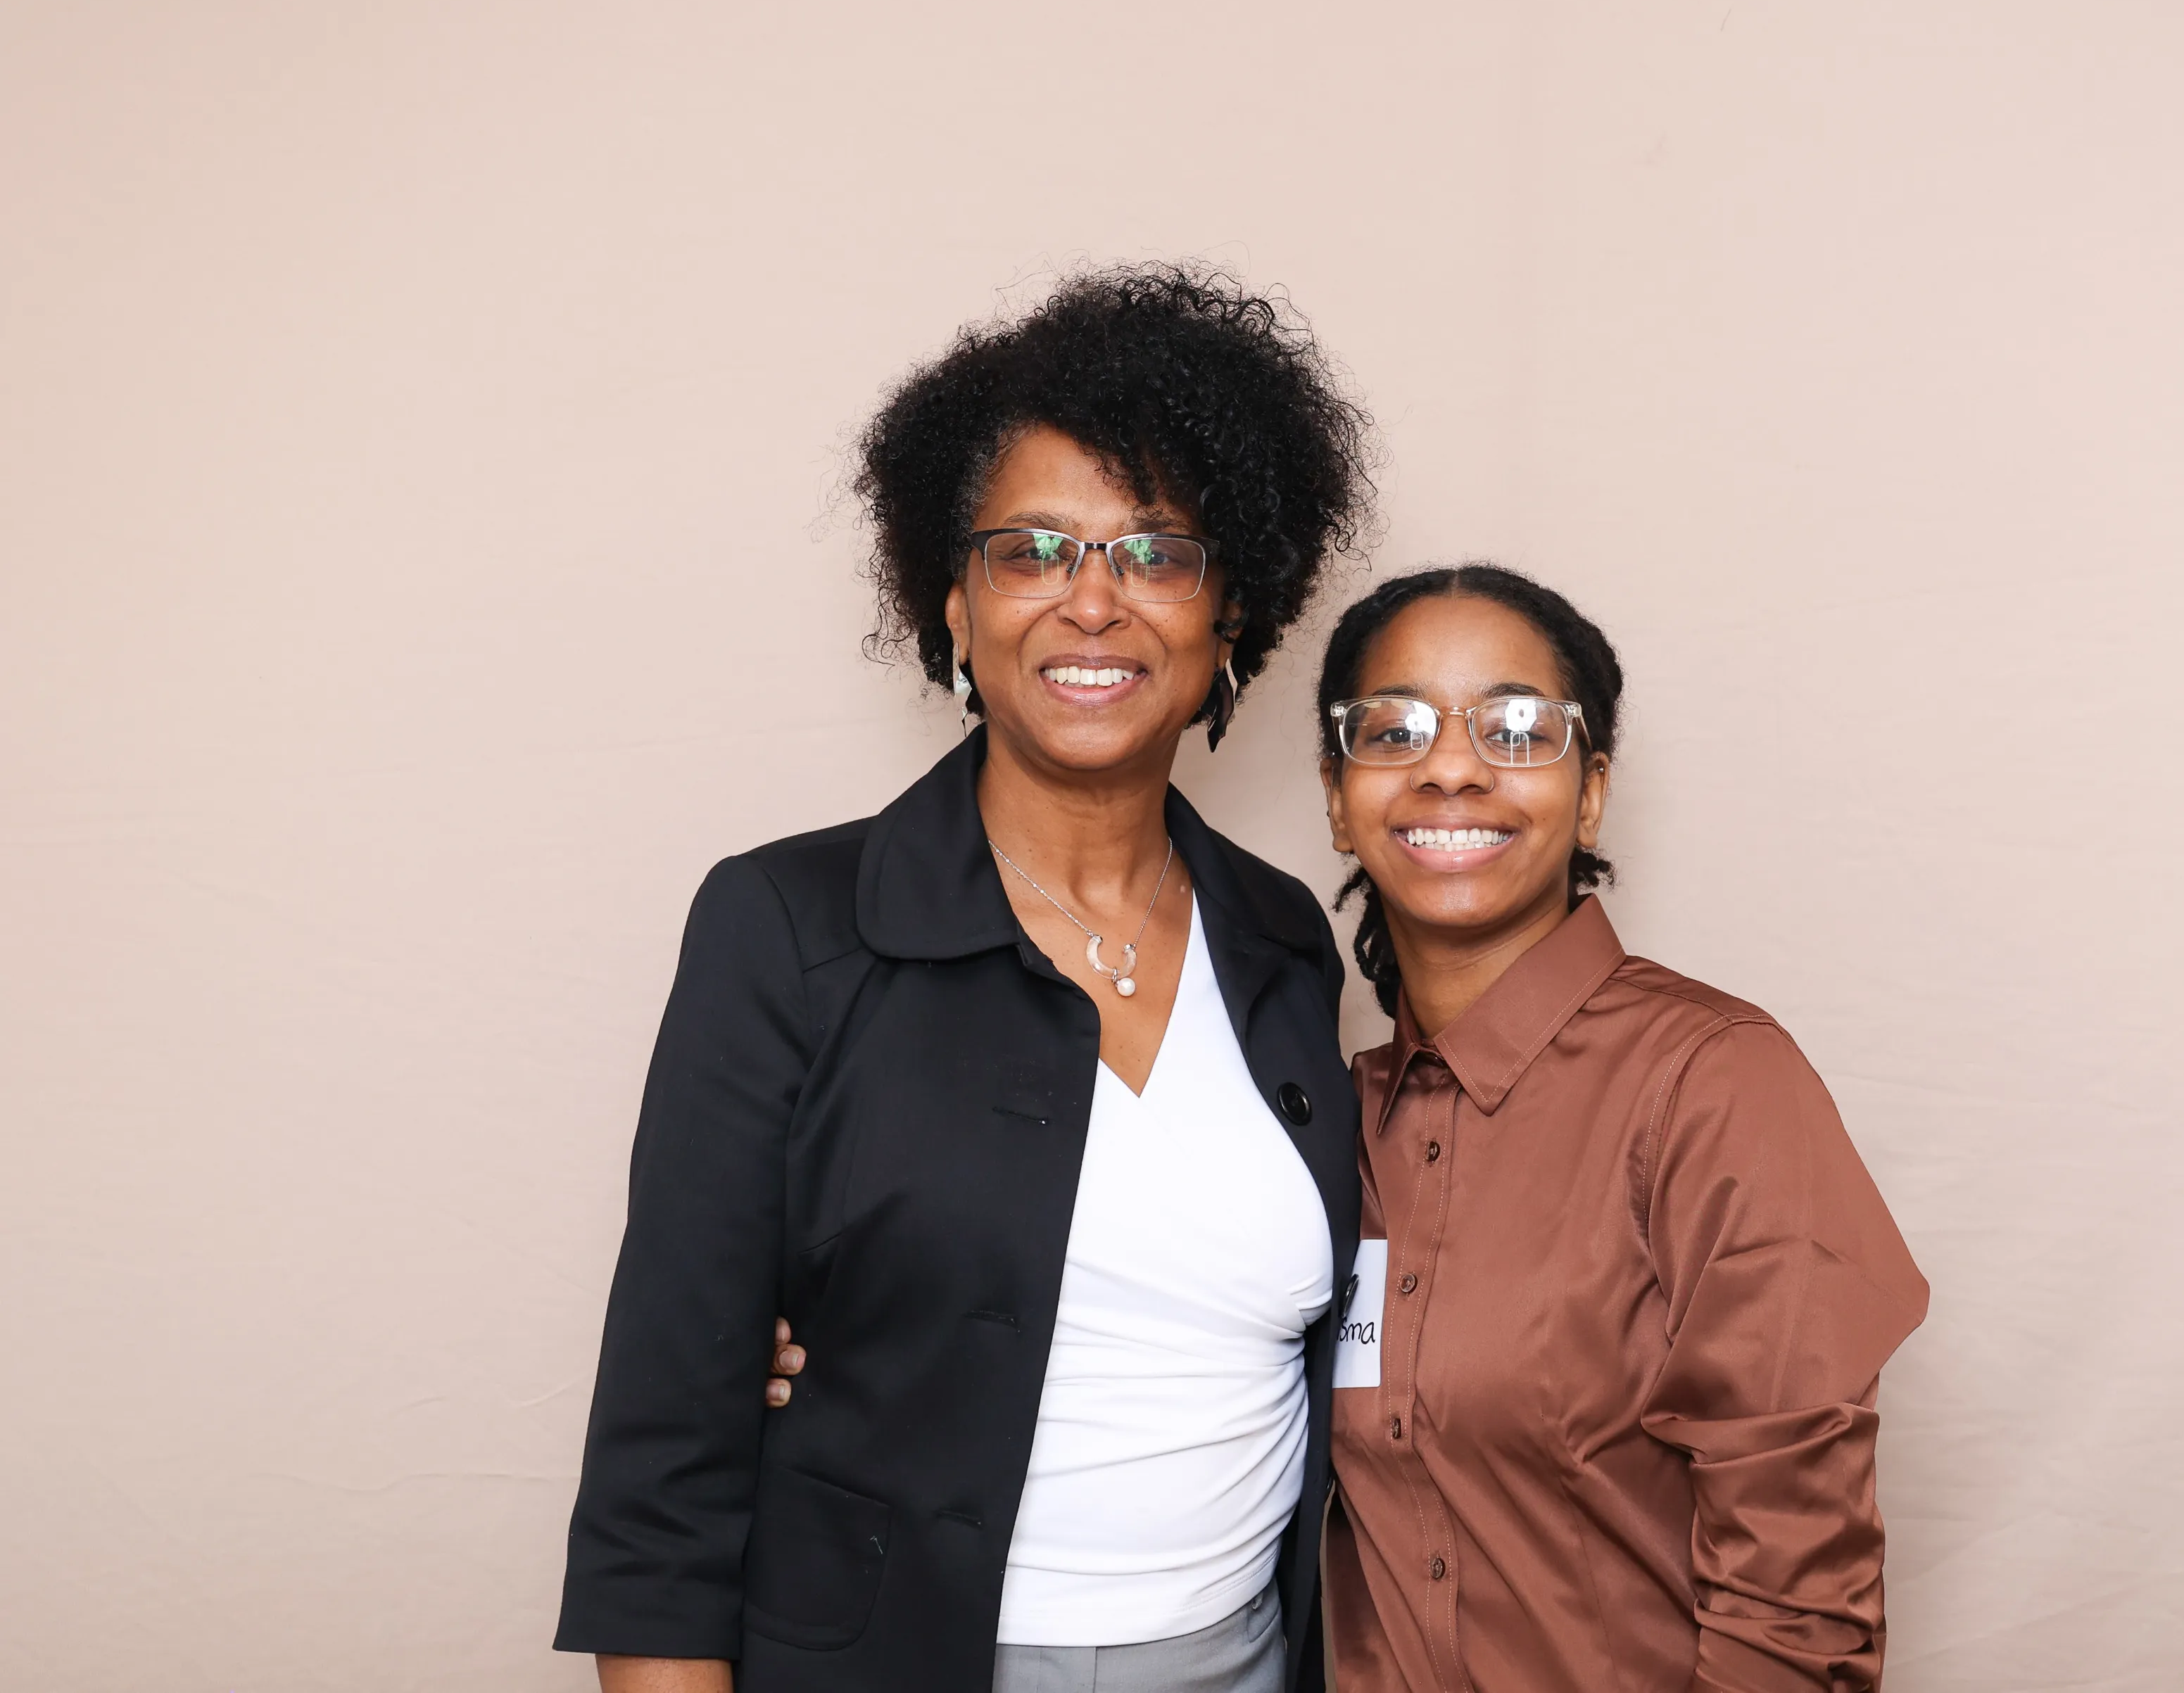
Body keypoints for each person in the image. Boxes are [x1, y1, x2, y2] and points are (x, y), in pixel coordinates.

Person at [553, 266, 1374, 1693]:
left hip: (1250, 1657)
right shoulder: (786, 926)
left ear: (1230, 611)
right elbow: (665, 1459)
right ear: (955, 602)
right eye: (1033, 548)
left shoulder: (1286, 936)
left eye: (1158, 553)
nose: (1094, 602)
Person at [1313, 566, 1929, 1692]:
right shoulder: (1324, 1122)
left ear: (1590, 793)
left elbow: (1797, 1608)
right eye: (1393, 729)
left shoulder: (1714, 1083)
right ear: (1338, 797)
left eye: (1516, 729)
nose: (1451, 765)